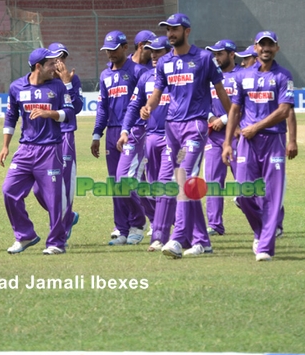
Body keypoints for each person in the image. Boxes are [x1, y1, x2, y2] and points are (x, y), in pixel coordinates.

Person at [141, 13, 231, 258]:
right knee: (182, 182)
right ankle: (202, 240)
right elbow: (157, 93)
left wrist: (234, 116)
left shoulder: (203, 59)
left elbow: (220, 91)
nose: (170, 33)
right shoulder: (165, 62)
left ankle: (178, 237)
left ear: (187, 31)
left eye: (175, 29)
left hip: (195, 127)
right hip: (172, 130)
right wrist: (149, 106)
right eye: (168, 30)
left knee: (184, 178)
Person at [222, 31, 294, 262]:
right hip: (246, 142)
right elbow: (234, 110)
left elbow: (284, 110)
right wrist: (226, 143)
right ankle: (262, 230)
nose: (266, 49)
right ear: (255, 48)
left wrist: (258, 127)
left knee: (272, 197)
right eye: (262, 45)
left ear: (276, 48)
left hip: (273, 140)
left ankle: (265, 247)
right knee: (243, 194)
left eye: (270, 45)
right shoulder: (243, 75)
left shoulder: (283, 76)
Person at [0, 47, 74, 255]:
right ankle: (25, 236)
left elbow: (69, 113)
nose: (55, 68)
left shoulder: (58, 87)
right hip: (25, 150)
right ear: (38, 66)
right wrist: (5, 145)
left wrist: (49, 113)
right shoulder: (16, 87)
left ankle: (56, 243)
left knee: (53, 199)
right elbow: (10, 117)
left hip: (51, 149)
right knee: (9, 191)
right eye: (51, 64)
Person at [92, 31, 146, 245]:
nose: (111, 54)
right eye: (107, 50)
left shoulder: (138, 71)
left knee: (129, 180)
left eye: (114, 49)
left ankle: (137, 224)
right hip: (112, 133)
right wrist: (97, 133)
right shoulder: (105, 75)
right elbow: (102, 108)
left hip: (132, 131)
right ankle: (121, 227)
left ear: (125, 48)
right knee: (115, 183)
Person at [118, 35, 173, 250]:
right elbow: (134, 106)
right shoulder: (146, 78)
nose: (154, 55)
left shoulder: (179, 77)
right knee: (151, 187)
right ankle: (163, 226)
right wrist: (125, 130)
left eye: (159, 51)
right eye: (152, 51)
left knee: (169, 185)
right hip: (150, 138)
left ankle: (169, 233)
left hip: (175, 139)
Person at [30, 43, 83, 243]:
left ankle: (64, 225)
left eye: (63, 58)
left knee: (64, 184)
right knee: (37, 188)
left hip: (65, 135)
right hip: (43, 140)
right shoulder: (40, 82)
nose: (59, 62)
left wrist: (67, 83)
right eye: (56, 58)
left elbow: (76, 108)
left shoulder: (71, 79)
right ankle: (67, 216)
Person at [204, 39, 240, 236]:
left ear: (231, 55)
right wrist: (211, 118)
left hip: (235, 135)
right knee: (212, 181)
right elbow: (203, 102)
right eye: (214, 54)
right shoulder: (209, 77)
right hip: (213, 136)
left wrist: (224, 120)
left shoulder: (241, 76)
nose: (216, 58)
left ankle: (265, 219)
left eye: (220, 54)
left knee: (244, 181)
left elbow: (243, 105)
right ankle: (215, 225)